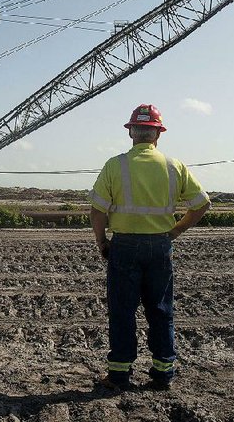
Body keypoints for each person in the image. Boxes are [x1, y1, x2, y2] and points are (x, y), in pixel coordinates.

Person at [89, 103, 210, 391]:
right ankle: (163, 373)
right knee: (160, 310)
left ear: (132, 132)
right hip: (160, 246)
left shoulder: (114, 165)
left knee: (122, 310)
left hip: (125, 246)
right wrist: (176, 230)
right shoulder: (174, 166)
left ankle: (119, 374)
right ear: (158, 135)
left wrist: (102, 241)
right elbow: (203, 204)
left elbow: (97, 211)